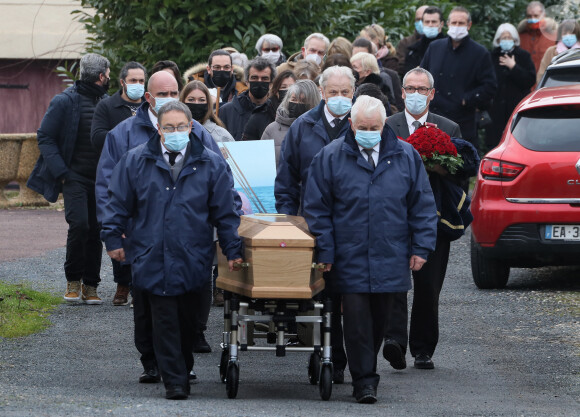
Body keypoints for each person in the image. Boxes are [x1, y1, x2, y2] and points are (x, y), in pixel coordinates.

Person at [101, 101, 243, 400]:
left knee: (188, 322)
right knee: (163, 317)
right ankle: (175, 380)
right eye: (169, 127)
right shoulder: (135, 161)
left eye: (181, 127)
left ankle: (181, 368)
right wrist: (112, 239)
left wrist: (233, 250)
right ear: (158, 129)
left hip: (193, 255)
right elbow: (117, 203)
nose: (175, 132)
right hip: (150, 252)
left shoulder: (210, 163)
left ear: (191, 128)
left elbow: (226, 212)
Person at [303, 95, 437, 403]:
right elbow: (316, 208)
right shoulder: (330, 156)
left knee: (379, 320)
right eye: (362, 126)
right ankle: (365, 380)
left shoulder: (406, 155)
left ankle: (365, 368)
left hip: (390, 253)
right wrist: (325, 250)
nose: (368, 131)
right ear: (350, 124)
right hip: (348, 256)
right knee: (356, 319)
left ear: (383, 125)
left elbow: (422, 204)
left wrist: (422, 246)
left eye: (374, 127)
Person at [384, 68, 475, 372]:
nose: (415, 94)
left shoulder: (449, 128)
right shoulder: (387, 126)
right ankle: (394, 341)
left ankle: (423, 349)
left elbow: (462, 175)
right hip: (393, 217)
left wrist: (440, 169)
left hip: (434, 220)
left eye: (422, 89)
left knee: (428, 287)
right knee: (394, 282)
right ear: (402, 92)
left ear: (432, 94)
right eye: (410, 88)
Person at [275, 66, 355, 384]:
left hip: (351, 224)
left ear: (354, 93)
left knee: (349, 295)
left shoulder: (361, 125)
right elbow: (287, 181)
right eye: (333, 92)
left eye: (345, 92)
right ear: (321, 93)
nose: (339, 98)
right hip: (310, 225)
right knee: (321, 294)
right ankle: (326, 355)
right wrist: (288, 221)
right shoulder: (303, 127)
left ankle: (345, 357)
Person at [28, 53, 110, 304]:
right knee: (80, 226)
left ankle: (91, 285)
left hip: (102, 179)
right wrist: (62, 172)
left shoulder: (107, 103)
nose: (109, 78)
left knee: (96, 230)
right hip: (73, 177)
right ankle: (73, 281)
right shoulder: (64, 101)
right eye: (108, 74)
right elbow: (45, 136)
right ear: (101, 76)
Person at [90, 61, 147, 306]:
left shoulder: (150, 108)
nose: (137, 85)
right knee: (120, 228)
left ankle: (139, 285)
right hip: (117, 171)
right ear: (122, 82)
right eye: (132, 80)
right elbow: (97, 137)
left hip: (144, 174)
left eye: (141, 81)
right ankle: (122, 283)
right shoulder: (107, 106)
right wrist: (124, 135)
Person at [180, 79, 233, 330]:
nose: (197, 105)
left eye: (202, 101)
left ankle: (199, 325)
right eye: (192, 101)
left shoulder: (221, 134)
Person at [420, 6, 497, 149]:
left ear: (469, 25)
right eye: (454, 23)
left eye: (461, 23)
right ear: (447, 24)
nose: (456, 26)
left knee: (461, 164)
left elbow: (490, 86)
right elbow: (421, 76)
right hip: (433, 117)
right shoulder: (435, 47)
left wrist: (466, 99)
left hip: (463, 120)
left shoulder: (480, 53)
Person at [486, 23, 536, 150]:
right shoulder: (491, 56)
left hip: (516, 107)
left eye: (509, 37)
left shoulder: (523, 56)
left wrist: (513, 67)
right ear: (498, 40)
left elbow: (530, 80)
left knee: (517, 141)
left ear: (514, 39)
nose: (506, 40)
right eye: (503, 37)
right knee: (495, 143)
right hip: (495, 109)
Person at [261, 79, 320, 165]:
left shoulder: (321, 128)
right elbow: (262, 162)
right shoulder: (272, 129)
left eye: (303, 101)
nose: (297, 103)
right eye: (294, 99)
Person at [219, 57, 276, 140]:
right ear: (246, 81)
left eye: (264, 78)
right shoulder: (226, 111)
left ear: (271, 83)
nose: (259, 81)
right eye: (254, 78)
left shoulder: (277, 113)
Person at [241, 70, 296, 141]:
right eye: (283, 87)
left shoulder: (302, 115)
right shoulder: (260, 116)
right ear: (276, 91)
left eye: (292, 87)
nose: (288, 91)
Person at [352, 38, 404, 112]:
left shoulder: (379, 86)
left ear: (367, 71)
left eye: (355, 67)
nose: (352, 70)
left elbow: (394, 106)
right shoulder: (351, 84)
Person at [183, 49, 248, 106]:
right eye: (217, 67)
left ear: (232, 69)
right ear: (208, 69)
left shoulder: (243, 90)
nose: (222, 70)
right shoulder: (195, 86)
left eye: (226, 67)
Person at [404, 6, 447, 75]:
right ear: (422, 24)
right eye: (427, 22)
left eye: (434, 22)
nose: (430, 25)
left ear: (441, 24)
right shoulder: (413, 51)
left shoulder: (449, 46)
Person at [518, 1, 559, 71]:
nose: (532, 18)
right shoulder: (520, 36)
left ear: (544, 15)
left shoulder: (554, 35)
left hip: (547, 79)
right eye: (529, 16)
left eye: (536, 16)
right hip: (525, 80)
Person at [396, 5, 429, 76]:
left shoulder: (439, 42)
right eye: (418, 19)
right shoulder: (405, 42)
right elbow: (400, 67)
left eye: (423, 19)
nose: (420, 22)